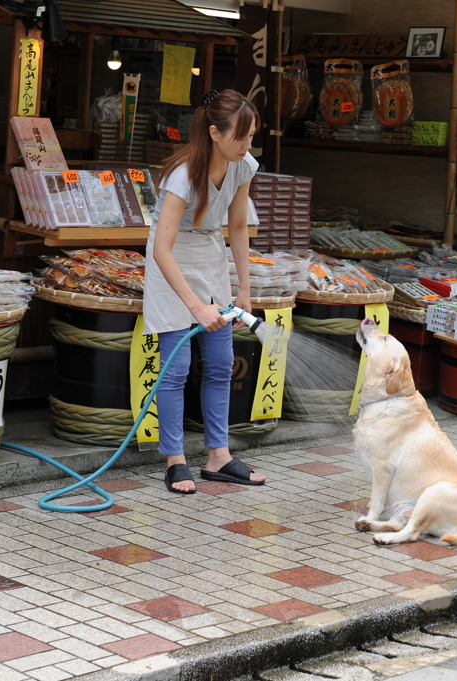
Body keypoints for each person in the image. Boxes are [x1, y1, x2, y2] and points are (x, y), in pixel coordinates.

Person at [146, 89, 267, 494]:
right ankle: (175, 459)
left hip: (211, 259)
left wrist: (243, 288)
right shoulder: (182, 175)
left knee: (220, 363)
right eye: (242, 137)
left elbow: (237, 228)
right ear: (215, 133)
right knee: (175, 369)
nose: (248, 146)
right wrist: (195, 306)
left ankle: (219, 455)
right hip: (172, 265)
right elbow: (161, 248)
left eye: (251, 137)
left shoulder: (242, 166)